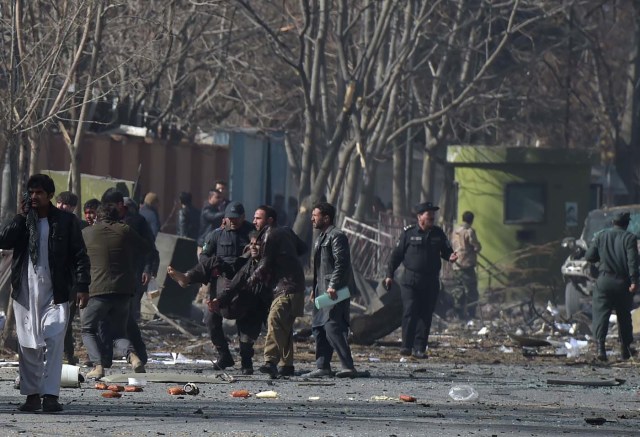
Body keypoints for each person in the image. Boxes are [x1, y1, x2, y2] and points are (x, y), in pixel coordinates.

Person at [0, 174, 90, 412]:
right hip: (25, 293)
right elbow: (4, 239)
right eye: (31, 192)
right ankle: (32, 396)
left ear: (50, 195)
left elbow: (80, 255)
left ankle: (50, 396)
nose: (34, 197)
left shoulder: (66, 222)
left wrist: (82, 286)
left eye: (39, 192)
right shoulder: (23, 221)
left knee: (53, 339)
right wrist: (20, 217)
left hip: (56, 292)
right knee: (28, 345)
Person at [167, 231, 270, 374]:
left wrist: (221, 299)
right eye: (251, 244)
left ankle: (248, 362)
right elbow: (207, 258)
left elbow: (241, 284)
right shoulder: (218, 236)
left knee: (248, 331)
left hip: (252, 299)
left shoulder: (262, 262)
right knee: (213, 263)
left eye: (257, 245)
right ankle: (187, 277)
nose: (253, 247)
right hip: (226, 285)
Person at [81, 203, 153, 379]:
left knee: (88, 329)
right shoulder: (125, 230)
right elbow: (146, 247)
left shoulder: (87, 233)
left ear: (98, 217)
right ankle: (133, 357)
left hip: (98, 290)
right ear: (118, 216)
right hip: (123, 290)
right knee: (119, 332)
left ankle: (98, 366)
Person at [384, 201, 458, 359]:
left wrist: (451, 257)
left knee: (425, 314)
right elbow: (396, 256)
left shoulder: (438, 233)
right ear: (420, 217)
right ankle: (406, 346)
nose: (432, 216)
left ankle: (419, 348)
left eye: (433, 214)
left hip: (431, 281)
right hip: (410, 280)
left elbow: (447, 251)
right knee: (410, 310)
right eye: (428, 213)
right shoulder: (409, 233)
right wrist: (389, 275)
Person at [99, 189, 159, 369]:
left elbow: (149, 249)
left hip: (133, 276)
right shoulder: (108, 222)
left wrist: (148, 270)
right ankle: (106, 357)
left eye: (110, 206)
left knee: (126, 318)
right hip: (109, 277)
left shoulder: (137, 222)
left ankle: (137, 353)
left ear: (120, 205)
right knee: (107, 317)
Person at [250, 205, 307, 378]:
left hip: (286, 287)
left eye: (258, 218)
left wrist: (247, 282)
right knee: (285, 325)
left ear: (270, 220)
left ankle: (270, 362)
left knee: (274, 320)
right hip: (296, 286)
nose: (254, 221)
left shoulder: (270, 233)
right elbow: (302, 248)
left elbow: (264, 266)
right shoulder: (286, 232)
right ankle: (286, 365)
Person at [303, 202, 358, 378]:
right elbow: (320, 268)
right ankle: (323, 366)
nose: (312, 218)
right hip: (322, 290)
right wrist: (315, 288)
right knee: (319, 327)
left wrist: (333, 285)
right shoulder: (321, 237)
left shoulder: (337, 236)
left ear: (326, 218)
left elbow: (341, 264)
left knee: (332, 326)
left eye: (315, 215)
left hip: (335, 290)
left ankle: (348, 366)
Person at [200, 201, 253, 370]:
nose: (233, 221)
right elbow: (204, 255)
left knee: (245, 322)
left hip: (244, 286)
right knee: (210, 319)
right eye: (230, 218)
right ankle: (224, 355)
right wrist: (212, 266)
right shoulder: (216, 234)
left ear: (243, 217)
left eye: (236, 218)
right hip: (220, 284)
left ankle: (246, 360)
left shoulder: (252, 233)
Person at [584, 211, 638, 361]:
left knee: (601, 315)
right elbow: (633, 262)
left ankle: (601, 349)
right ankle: (625, 350)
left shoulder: (601, 236)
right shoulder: (630, 238)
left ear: (613, 222)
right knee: (624, 316)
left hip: (604, 281)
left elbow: (589, 256)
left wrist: (600, 259)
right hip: (622, 283)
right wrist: (634, 281)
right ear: (627, 224)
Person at [451, 211, 482, 319]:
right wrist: (477, 247)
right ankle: (471, 314)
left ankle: (459, 314)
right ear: (471, 220)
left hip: (456, 265)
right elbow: (476, 246)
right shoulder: (469, 231)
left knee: (459, 291)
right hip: (467, 265)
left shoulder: (456, 231)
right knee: (472, 291)